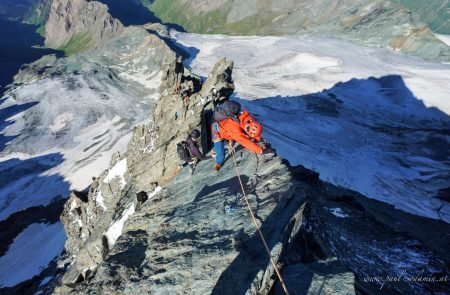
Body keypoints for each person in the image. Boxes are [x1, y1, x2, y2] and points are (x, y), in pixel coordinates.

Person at [211, 102, 274, 171]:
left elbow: (254, 131)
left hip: (227, 130)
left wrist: (258, 139)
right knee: (220, 153)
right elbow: (245, 142)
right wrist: (261, 150)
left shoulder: (248, 118)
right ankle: (218, 163)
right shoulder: (234, 128)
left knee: (231, 140)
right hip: (218, 132)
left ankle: (226, 143)